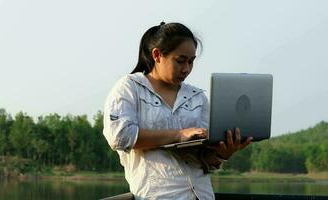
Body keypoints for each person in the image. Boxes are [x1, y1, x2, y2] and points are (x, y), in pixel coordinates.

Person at [103, 22, 252, 200]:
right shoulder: (130, 87)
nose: (186, 69)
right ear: (157, 55)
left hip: (202, 195)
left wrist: (224, 152)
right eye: (180, 60)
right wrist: (178, 135)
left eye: (191, 61)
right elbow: (120, 136)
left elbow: (205, 162)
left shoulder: (197, 97)